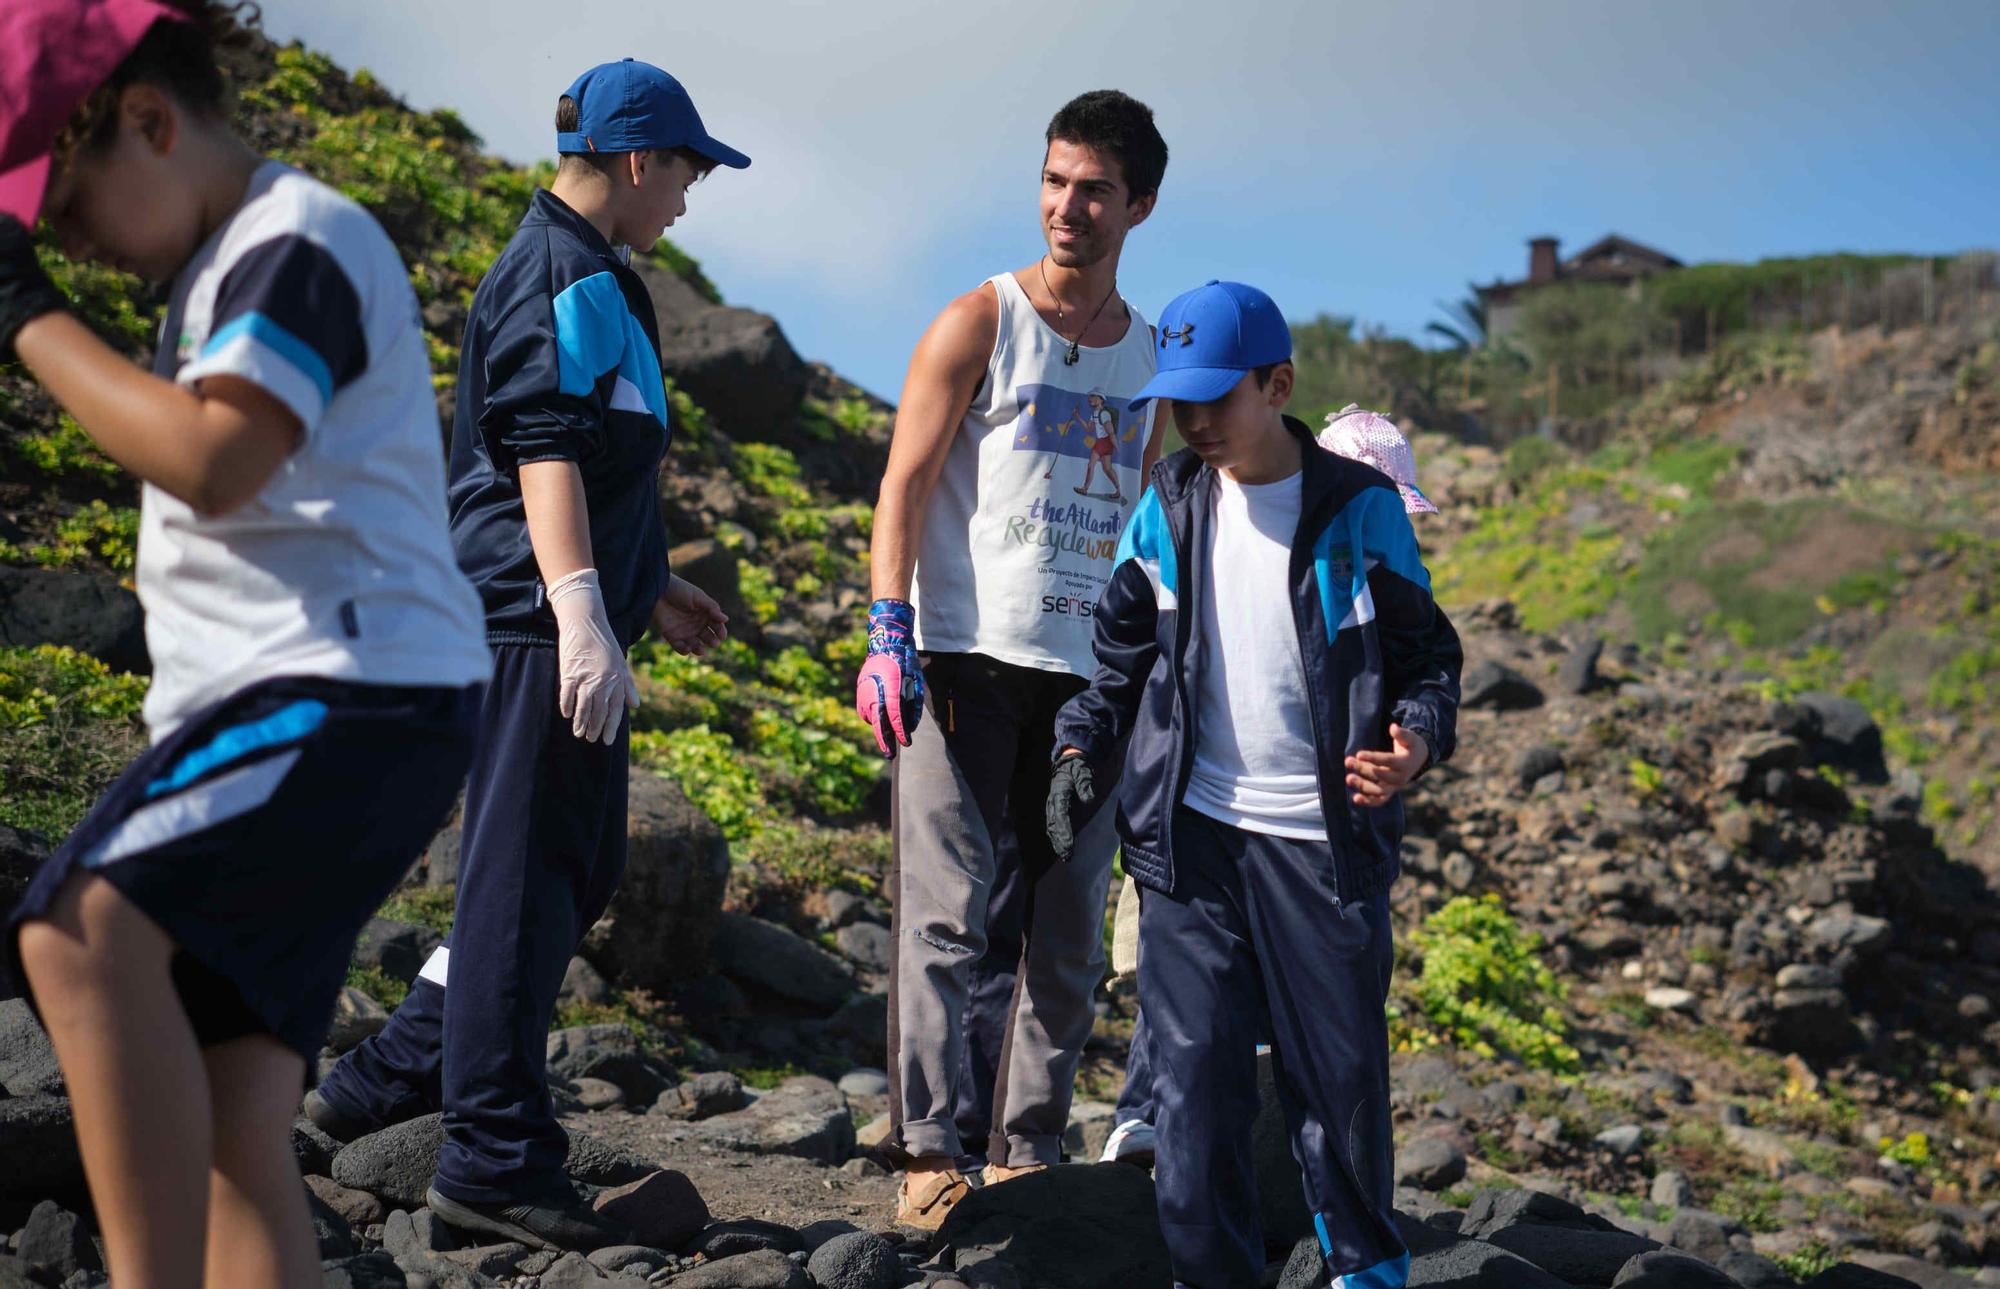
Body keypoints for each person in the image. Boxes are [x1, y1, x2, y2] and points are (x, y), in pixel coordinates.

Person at [0, 2, 491, 1283]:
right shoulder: (218, 279)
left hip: (343, 685)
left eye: (66, 212)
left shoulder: (296, 237)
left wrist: (25, 314)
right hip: (344, 698)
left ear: (149, 124)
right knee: (231, 1123)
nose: (78, 251)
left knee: (78, 926)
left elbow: (216, 459)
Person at [301, 58, 741, 1251]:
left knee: (567, 867)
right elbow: (540, 448)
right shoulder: (561, 270)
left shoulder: (590, 270)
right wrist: (582, 611)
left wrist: (645, 588)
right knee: (522, 874)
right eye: (688, 171)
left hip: (550, 606)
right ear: (640, 159)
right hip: (526, 621)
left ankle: (387, 1078)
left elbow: (582, 460)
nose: (690, 198)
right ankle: (494, 1151)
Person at [1047, 281, 1462, 1288]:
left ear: (1276, 385)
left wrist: (1411, 741)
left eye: (1214, 397)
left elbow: (1426, 658)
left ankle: (1363, 1270)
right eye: (1176, 399)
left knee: (1340, 1083)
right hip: (1194, 843)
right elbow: (1117, 658)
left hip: (1322, 846)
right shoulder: (1169, 504)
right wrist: (1075, 751)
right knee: (1190, 1090)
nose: (1192, 420)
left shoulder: (1360, 512)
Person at [859, 89, 1169, 1229]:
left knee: (1065, 927)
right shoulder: (978, 320)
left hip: (1089, 679)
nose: (1065, 206)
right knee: (943, 915)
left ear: (1138, 203)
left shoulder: (1151, 355)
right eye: (1052, 180)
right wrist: (886, 628)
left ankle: (1026, 1150)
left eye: (1091, 188)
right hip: (958, 658)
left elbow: (1147, 515)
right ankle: (927, 1151)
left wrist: (1153, 668)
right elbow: (900, 483)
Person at [1097, 401, 1440, 1171]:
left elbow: (1414, 665)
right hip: (1198, 812)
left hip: (1316, 829)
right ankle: (1140, 1116)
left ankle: (1248, 1148)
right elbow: (1140, 662)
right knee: (1181, 991)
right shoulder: (1225, 528)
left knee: (1256, 999)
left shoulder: (1369, 560)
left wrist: (1411, 736)